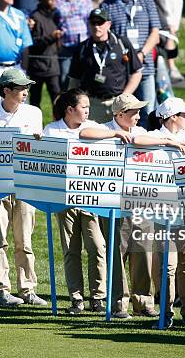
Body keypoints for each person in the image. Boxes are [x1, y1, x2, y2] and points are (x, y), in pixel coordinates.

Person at [133, 97, 185, 329]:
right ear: (172, 117)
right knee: (167, 265)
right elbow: (138, 139)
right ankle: (166, 313)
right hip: (162, 210)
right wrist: (168, 142)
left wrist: (183, 145)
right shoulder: (158, 135)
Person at [79, 93, 159, 319]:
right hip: (113, 203)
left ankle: (143, 301)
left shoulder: (141, 131)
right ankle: (118, 303)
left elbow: (150, 142)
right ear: (120, 114)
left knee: (143, 252)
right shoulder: (104, 128)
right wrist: (115, 134)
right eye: (135, 112)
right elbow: (84, 133)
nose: (139, 116)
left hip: (142, 201)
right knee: (117, 254)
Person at [0, 68, 46, 306]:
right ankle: (1, 290)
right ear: (6, 91)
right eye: (20, 88)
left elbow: (37, 143)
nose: (26, 92)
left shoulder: (34, 113)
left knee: (25, 241)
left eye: (26, 87)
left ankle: (28, 289)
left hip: (25, 184)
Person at [40, 88, 107, 314]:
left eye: (88, 107)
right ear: (70, 109)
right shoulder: (52, 130)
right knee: (71, 250)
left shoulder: (95, 128)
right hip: (63, 199)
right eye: (84, 107)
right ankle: (77, 300)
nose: (88, 111)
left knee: (97, 247)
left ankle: (98, 298)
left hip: (90, 198)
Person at [100, 0, 160, 127]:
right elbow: (105, 36)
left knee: (148, 112)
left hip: (145, 66)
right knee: (120, 112)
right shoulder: (107, 5)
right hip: (120, 69)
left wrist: (140, 55)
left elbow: (155, 33)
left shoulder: (147, 0)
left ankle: (147, 149)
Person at [67, 8, 142, 123]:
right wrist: (74, 102)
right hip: (92, 103)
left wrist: (124, 96)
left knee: (119, 137)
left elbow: (136, 72)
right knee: (92, 138)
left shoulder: (122, 43)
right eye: (93, 23)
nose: (97, 26)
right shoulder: (82, 48)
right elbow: (74, 80)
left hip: (117, 102)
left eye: (100, 22)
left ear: (108, 24)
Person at [55, 0, 93, 89]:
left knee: (85, 79)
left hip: (84, 44)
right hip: (66, 47)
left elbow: (90, 17)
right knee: (66, 80)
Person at [28, 0, 61, 107]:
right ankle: (35, 126)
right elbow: (34, 44)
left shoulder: (54, 15)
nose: (53, 0)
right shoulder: (34, 17)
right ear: (41, 0)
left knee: (57, 100)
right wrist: (52, 37)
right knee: (35, 101)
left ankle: (58, 125)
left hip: (52, 66)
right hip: (37, 68)